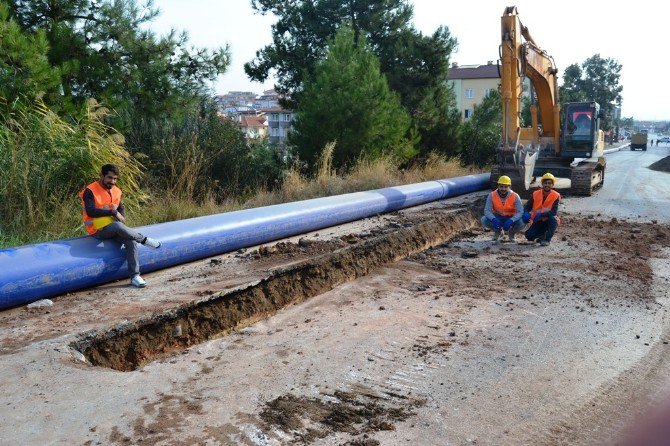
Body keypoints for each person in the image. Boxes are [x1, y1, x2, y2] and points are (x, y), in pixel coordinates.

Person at [79, 164, 162, 288]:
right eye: (109, 178)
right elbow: (91, 211)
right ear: (101, 176)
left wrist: (120, 217)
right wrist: (112, 213)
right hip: (97, 230)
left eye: (115, 179)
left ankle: (135, 276)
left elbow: (120, 208)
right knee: (118, 227)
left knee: (131, 242)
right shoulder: (90, 190)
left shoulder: (116, 191)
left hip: (114, 228)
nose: (112, 181)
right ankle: (144, 239)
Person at [481, 175, 524, 243]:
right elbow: (487, 210)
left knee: (522, 222)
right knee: (484, 220)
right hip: (497, 217)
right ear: (498, 186)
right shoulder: (492, 195)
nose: (503, 189)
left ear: (509, 187)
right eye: (501, 186)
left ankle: (511, 233)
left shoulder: (515, 196)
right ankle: (498, 231)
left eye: (506, 187)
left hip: (510, 217)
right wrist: (493, 219)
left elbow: (520, 212)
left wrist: (512, 220)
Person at [522, 172, 561, 246]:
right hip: (537, 220)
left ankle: (547, 240)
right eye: (545, 183)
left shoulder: (556, 195)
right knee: (529, 236)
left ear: (552, 185)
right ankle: (542, 236)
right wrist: (526, 212)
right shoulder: (535, 193)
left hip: (549, 220)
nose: (547, 185)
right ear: (542, 184)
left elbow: (553, 212)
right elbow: (527, 206)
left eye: (549, 183)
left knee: (553, 220)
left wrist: (541, 215)